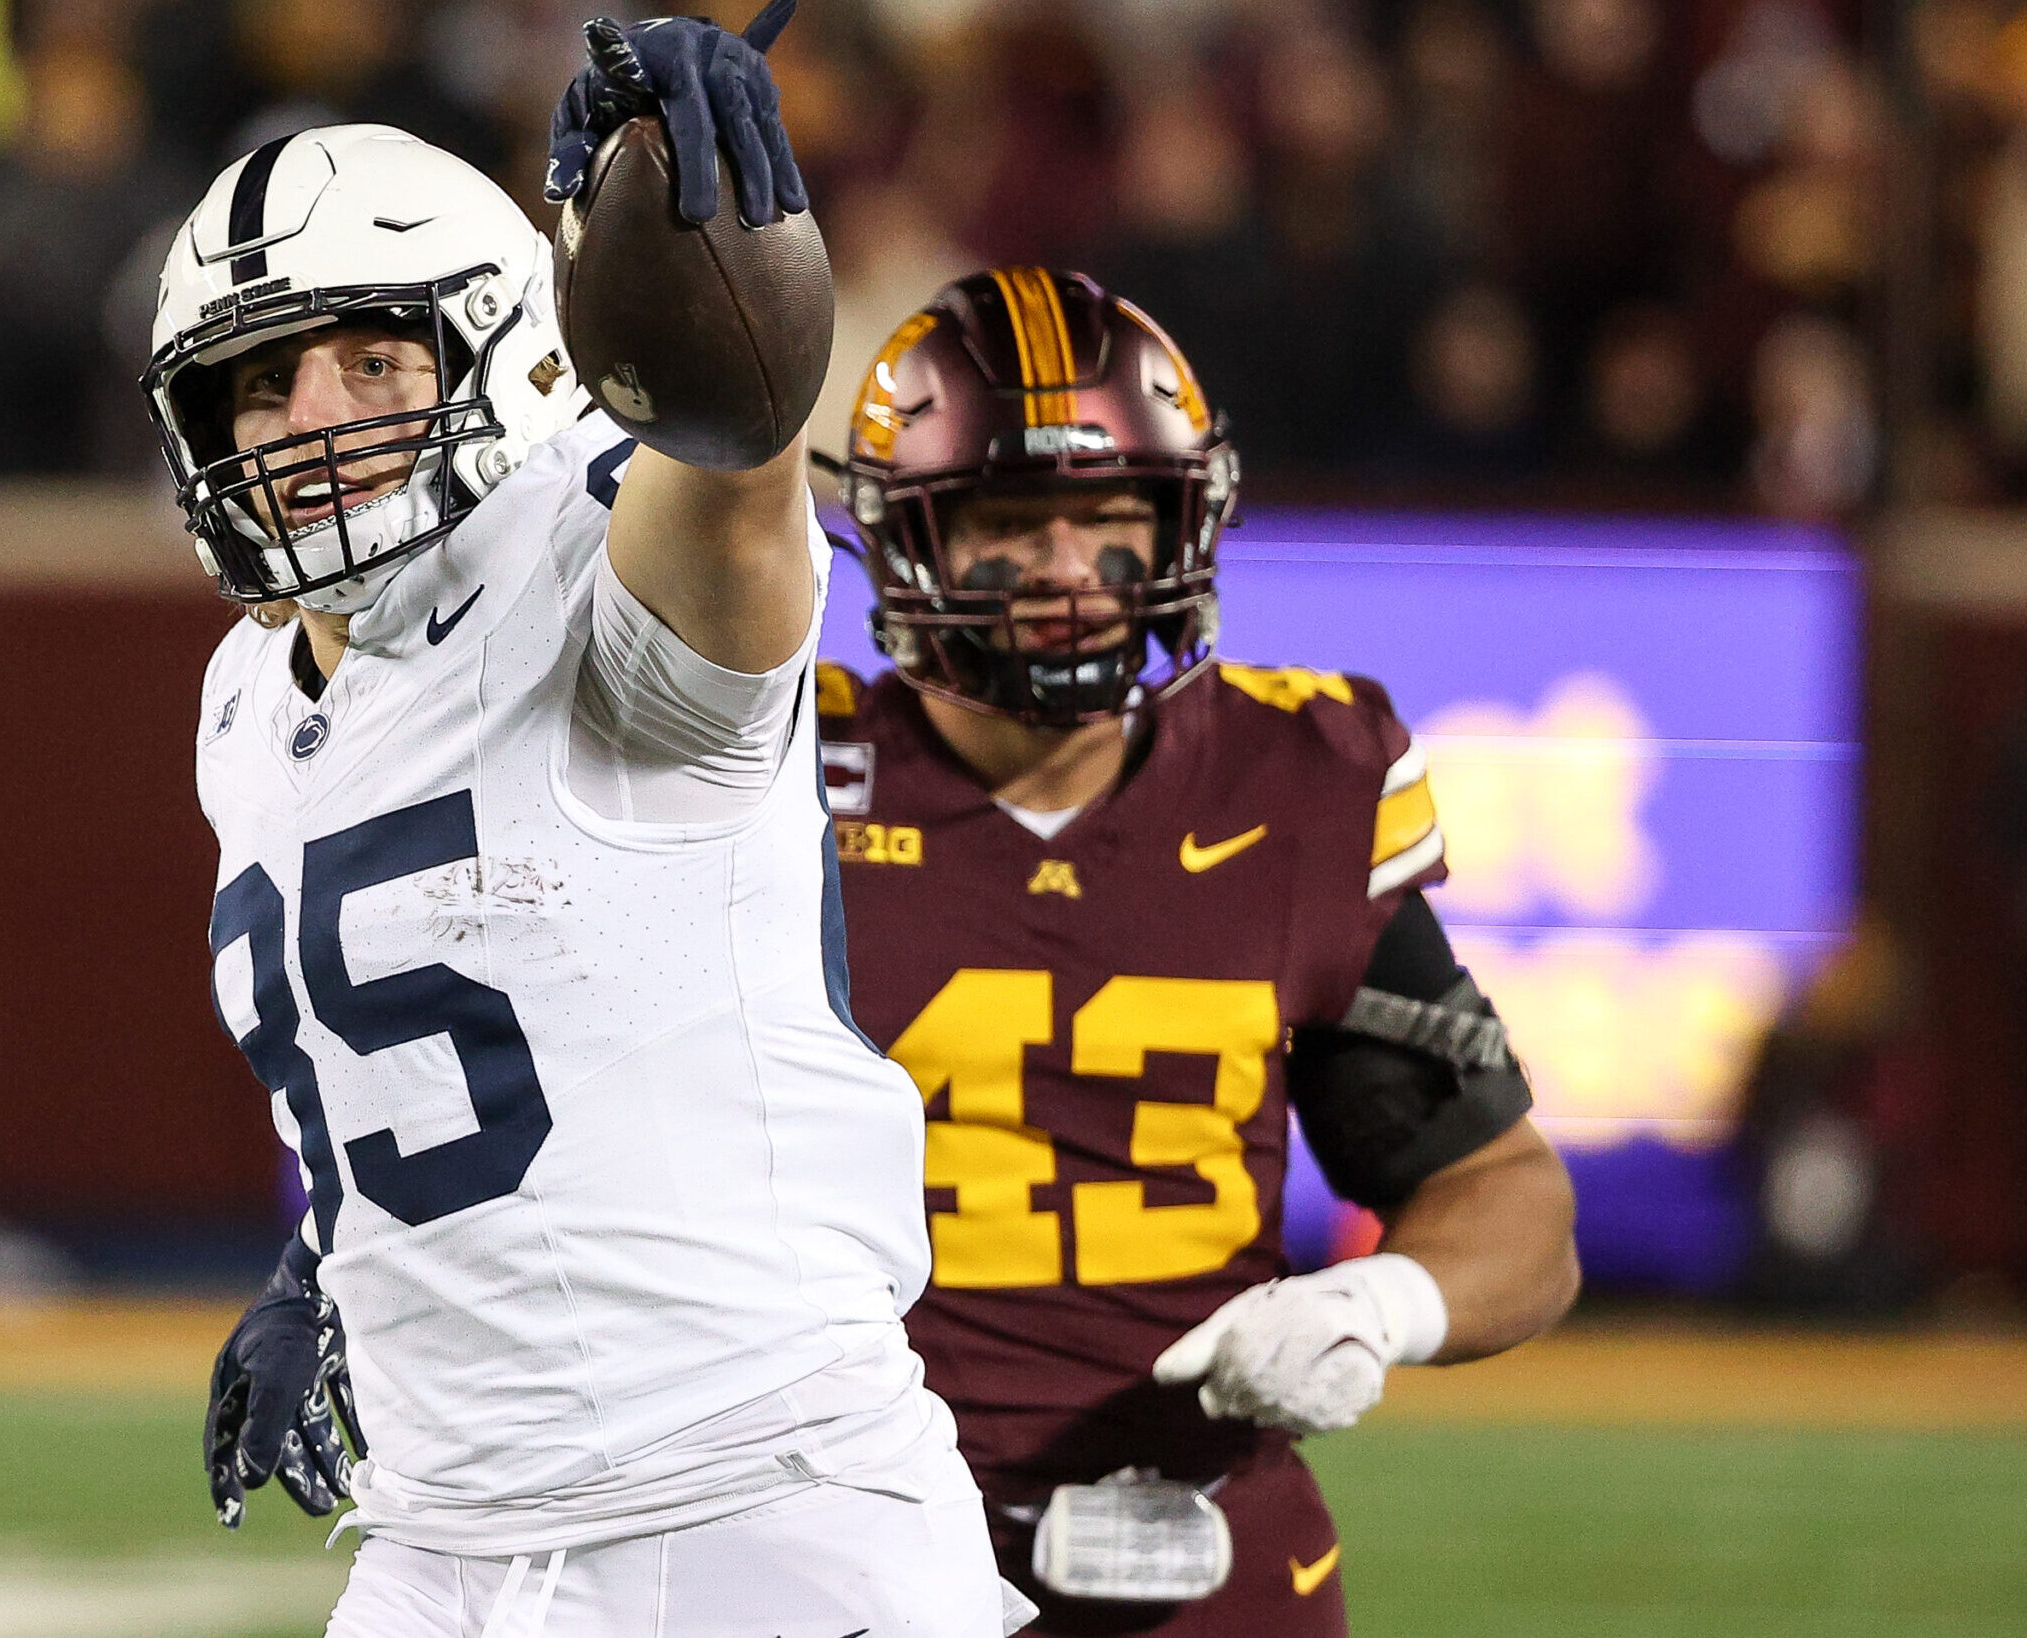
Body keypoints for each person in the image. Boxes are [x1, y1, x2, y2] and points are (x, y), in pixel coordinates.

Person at [142, 11, 1018, 1635]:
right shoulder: (243, 697)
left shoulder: (591, 551)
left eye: (373, 358)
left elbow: (733, 476)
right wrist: (317, 1273)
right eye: (258, 383)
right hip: (436, 1533)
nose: (309, 418)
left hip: (754, 1507)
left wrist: (693, 233)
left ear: (508, 350)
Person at [818, 267, 1581, 1635]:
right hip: (838, 1547)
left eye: (1109, 517)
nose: (1065, 570)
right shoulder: (777, 782)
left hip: (1207, 1560)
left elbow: (1504, 1192)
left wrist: (1373, 1306)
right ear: (905, 537)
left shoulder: (1292, 777)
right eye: (1008, 523)